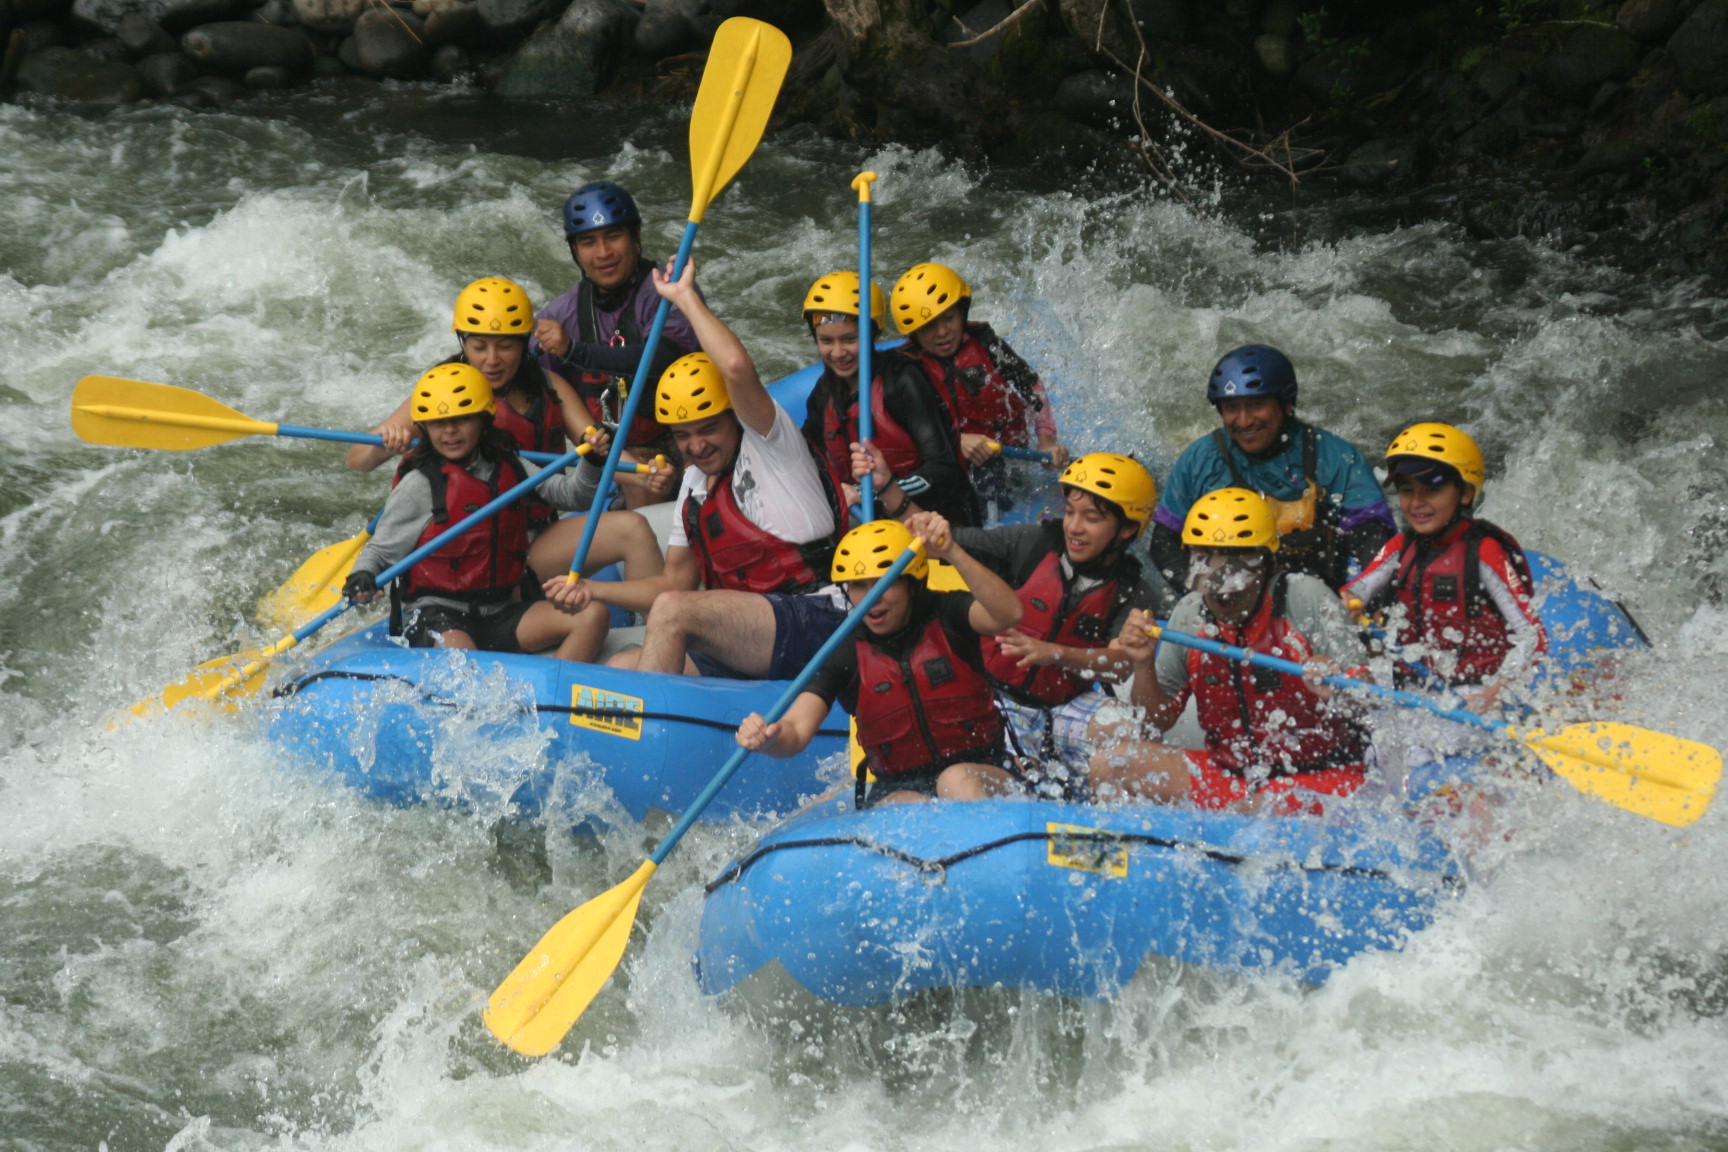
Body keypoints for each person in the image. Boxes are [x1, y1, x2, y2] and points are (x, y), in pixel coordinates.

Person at [545, 258, 851, 679]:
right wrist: (590, 588)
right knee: (622, 666)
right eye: (684, 435)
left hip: (818, 617)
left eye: (709, 429)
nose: (698, 445)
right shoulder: (693, 486)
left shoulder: (771, 445)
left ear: (732, 418)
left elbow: (738, 369)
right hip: (749, 630)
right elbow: (672, 583)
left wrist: (685, 299)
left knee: (674, 613)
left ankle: (650, 738)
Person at [346, 277, 668, 588]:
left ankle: (654, 633)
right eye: (479, 346)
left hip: (530, 539)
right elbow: (357, 460)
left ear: (525, 343)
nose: (491, 360)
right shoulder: (440, 396)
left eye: (505, 346)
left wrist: (646, 474)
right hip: (463, 553)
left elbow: (599, 446)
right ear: (463, 343)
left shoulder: (549, 387)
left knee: (633, 528)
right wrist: (385, 445)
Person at [1088, 487, 1373, 814]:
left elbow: (1370, 702)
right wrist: (1143, 665)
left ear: (1266, 565)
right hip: (1228, 774)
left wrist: (1336, 689)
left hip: (1323, 776)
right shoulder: (1191, 613)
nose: (1222, 596)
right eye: (1210, 571)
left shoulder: (1304, 597)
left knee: (1259, 807)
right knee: (1107, 764)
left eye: (1235, 571)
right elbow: (1153, 725)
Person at [734, 516, 1027, 805]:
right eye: (859, 586)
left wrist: (953, 552)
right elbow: (796, 731)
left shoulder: (949, 614)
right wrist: (770, 739)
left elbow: (1009, 614)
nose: (871, 597)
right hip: (899, 785)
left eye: (883, 583)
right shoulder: (845, 649)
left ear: (911, 583)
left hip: (985, 769)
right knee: (904, 804)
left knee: (956, 780)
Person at [342, 363, 614, 662]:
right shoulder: (419, 484)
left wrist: (593, 461)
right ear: (425, 427)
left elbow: (574, 495)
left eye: (462, 419)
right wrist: (363, 575)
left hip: (501, 609)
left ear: (484, 419)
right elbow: (380, 551)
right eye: (437, 423)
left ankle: (553, 699)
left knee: (593, 616)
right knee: (462, 660)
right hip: (438, 612)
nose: (450, 431)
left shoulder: (510, 465)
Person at [954, 453, 1178, 795]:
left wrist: (1056, 654)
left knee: (1128, 728)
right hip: (994, 699)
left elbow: (1117, 666)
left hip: (1061, 708)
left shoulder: (1133, 590)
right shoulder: (1030, 543)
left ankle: (1094, 795)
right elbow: (949, 539)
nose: (1073, 527)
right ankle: (1021, 769)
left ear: (1128, 529)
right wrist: (892, 495)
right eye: (1070, 512)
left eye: (1091, 518)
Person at [1147, 344, 1394, 592]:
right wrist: (1203, 596)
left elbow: (1371, 539)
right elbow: (1165, 542)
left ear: (1287, 404)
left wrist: (1357, 600)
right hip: (1229, 602)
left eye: (1256, 405)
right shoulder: (1199, 460)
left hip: (1317, 597)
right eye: (1232, 407)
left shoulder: (1335, 458)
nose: (1243, 421)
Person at [1342, 422, 1545, 712]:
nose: (1416, 502)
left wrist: (1496, 691)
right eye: (1406, 490)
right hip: (1412, 685)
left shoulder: (1484, 552)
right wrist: (1350, 602)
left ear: (1464, 493)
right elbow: (1353, 593)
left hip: (1474, 689)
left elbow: (1532, 636)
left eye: (1431, 490)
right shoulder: (1399, 548)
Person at [532, 181, 694, 505]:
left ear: (635, 238)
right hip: (621, 456)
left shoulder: (668, 290)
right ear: (575, 251)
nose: (603, 252)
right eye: (588, 242)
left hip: (686, 437)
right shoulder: (561, 315)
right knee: (641, 478)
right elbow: (506, 370)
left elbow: (661, 357)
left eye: (614, 236)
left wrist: (575, 352)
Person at [798, 270, 979, 527]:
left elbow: (943, 471)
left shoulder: (903, 380)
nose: (838, 353)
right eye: (826, 341)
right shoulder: (823, 393)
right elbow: (806, 458)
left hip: (936, 519)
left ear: (874, 335)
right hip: (872, 525)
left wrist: (869, 492)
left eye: (850, 339)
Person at [883, 262, 1067, 512]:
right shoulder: (905, 370)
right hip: (944, 465)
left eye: (949, 318)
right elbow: (898, 431)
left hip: (1005, 460)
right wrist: (955, 442)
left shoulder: (987, 345)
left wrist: (1046, 441)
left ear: (962, 311)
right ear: (913, 333)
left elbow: (1032, 387)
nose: (943, 332)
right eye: (929, 326)